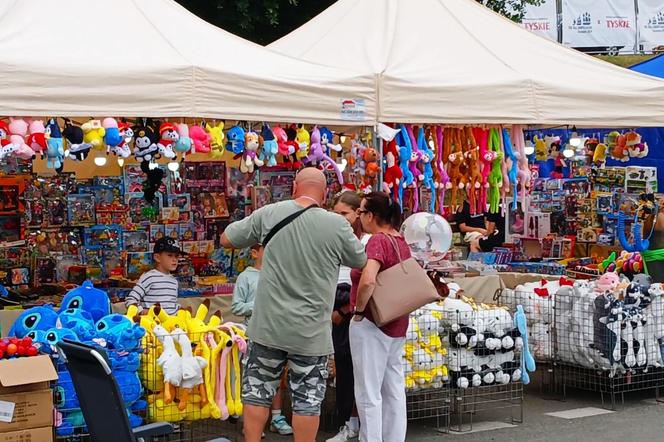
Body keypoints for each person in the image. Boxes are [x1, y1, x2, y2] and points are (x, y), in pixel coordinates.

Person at [220, 168, 367, 442]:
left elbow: (227, 238)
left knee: (257, 392)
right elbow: (359, 260)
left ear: (295, 186)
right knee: (307, 400)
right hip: (310, 332)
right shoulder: (336, 224)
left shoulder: (270, 213)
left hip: (267, 327)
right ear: (324, 194)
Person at [350, 192, 408, 442]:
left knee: (368, 390)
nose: (359, 217)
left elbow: (369, 279)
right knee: (393, 387)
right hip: (397, 320)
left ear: (371, 215)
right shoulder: (400, 240)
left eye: (361, 212)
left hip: (373, 322)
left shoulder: (377, 241)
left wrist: (359, 310)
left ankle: (370, 438)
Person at [231, 244, 293, 436]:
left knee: (277, 377)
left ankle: (276, 416)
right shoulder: (246, 277)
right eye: (268, 248)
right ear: (255, 252)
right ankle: (251, 423)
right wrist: (258, 304)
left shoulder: (279, 274)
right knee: (253, 381)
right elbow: (237, 307)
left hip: (277, 333)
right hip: (254, 334)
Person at [328, 191, 368, 442]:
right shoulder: (332, 237)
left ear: (357, 214)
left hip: (355, 311)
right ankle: (349, 421)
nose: (340, 218)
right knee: (344, 370)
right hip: (335, 305)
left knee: (359, 372)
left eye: (344, 213)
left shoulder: (367, 241)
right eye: (336, 213)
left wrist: (346, 310)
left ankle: (359, 423)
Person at [125, 237, 181, 315]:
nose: (174, 259)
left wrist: (180, 311)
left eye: (176, 256)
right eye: (170, 255)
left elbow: (171, 305)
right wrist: (141, 311)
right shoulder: (149, 277)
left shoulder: (174, 281)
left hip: (171, 324)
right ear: (157, 257)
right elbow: (131, 299)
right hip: (152, 324)